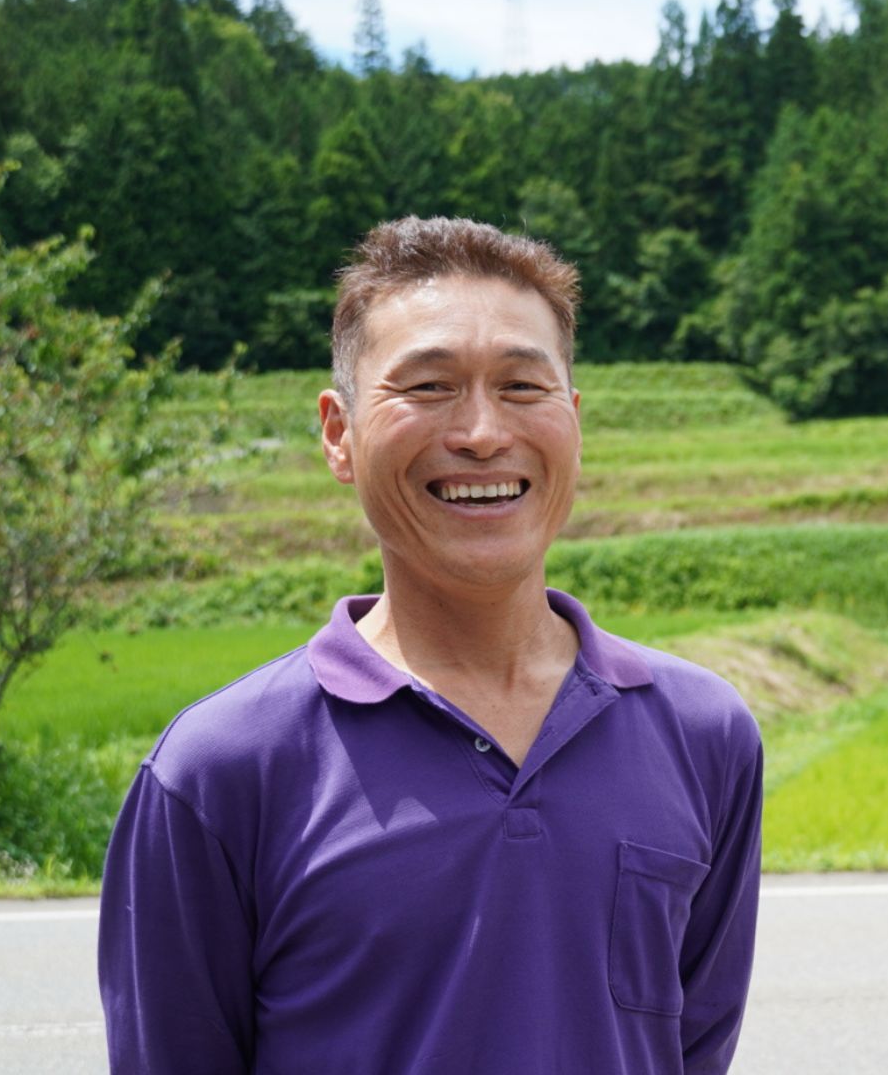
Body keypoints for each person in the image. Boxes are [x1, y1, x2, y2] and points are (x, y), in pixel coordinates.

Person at [98, 217, 763, 1074]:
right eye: (429, 387)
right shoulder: (220, 770)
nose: (482, 432)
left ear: (574, 421)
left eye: (522, 386)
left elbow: (691, 1049)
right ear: (338, 433)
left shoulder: (703, 735)